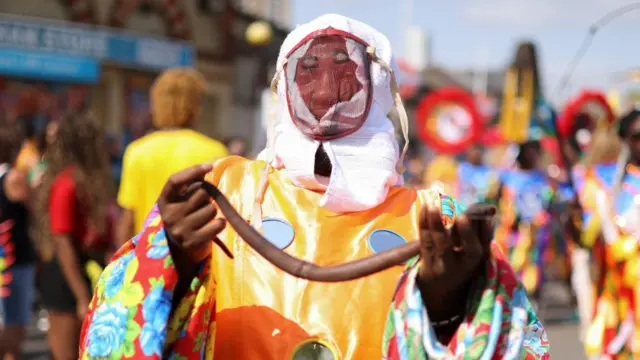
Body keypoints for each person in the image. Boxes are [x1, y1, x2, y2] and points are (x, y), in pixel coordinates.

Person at [80, 15, 549, 359]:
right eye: (310, 69)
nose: (326, 88)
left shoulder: (431, 215)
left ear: (377, 85)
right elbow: (119, 320)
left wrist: (447, 307)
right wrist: (172, 259)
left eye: (344, 67)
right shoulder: (229, 189)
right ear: (285, 85)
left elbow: (509, 336)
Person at [116, 69, 228, 247]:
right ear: (194, 105)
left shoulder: (137, 151)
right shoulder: (216, 152)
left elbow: (127, 219)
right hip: (197, 257)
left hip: (149, 256)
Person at [33, 112, 112, 360]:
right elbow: (63, 241)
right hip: (66, 279)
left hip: (81, 273)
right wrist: (81, 297)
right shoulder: (66, 184)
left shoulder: (83, 181)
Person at [569, 109, 640, 358]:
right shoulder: (601, 183)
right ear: (625, 140)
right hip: (618, 288)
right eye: (636, 136)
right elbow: (589, 238)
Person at [0, 115, 37, 360]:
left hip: (5, 257)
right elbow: (37, 211)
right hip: (14, 260)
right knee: (14, 329)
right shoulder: (14, 179)